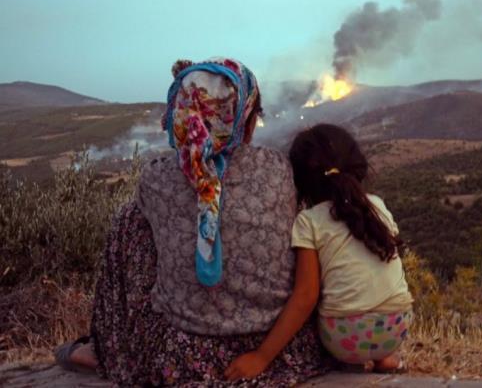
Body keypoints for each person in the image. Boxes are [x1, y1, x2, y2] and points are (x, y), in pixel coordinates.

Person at [54, 57, 329, 386]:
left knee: (130, 220)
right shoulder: (282, 171)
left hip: (182, 354)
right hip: (282, 345)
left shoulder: (156, 178)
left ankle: (108, 346)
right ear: (246, 119)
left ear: (182, 116)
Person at [225, 124, 413, 380]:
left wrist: (261, 357)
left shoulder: (309, 221)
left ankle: (352, 361)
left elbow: (306, 296)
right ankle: (383, 356)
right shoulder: (377, 206)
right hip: (398, 326)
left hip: (344, 337)